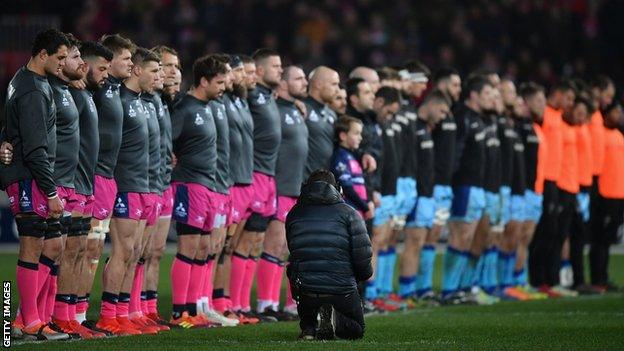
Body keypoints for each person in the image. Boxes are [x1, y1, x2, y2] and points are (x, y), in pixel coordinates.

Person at [2, 28, 70, 341]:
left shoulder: (26, 81)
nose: (63, 63)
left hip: (30, 176)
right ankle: (27, 321)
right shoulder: (32, 90)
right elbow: (33, 148)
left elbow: (11, 128)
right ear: (42, 54)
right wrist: (52, 191)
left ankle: (25, 319)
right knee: (31, 247)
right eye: (59, 57)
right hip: (31, 178)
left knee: (44, 245)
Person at [286, 170, 372, 340]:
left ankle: (309, 327)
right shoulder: (350, 213)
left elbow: (294, 252)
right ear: (338, 189)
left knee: (296, 271)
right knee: (355, 330)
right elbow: (363, 258)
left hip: (306, 291)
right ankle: (332, 316)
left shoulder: (294, 213)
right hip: (342, 290)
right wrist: (360, 279)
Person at [72, 41, 114, 329]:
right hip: (77, 181)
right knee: (74, 250)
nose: (106, 74)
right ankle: (62, 314)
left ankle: (77, 315)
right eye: (103, 68)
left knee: (90, 251)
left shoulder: (89, 95)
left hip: (94, 181)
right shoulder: (74, 95)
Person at [263, 65, 310, 318]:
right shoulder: (273, 108)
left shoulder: (295, 108)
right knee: (275, 246)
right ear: (282, 83)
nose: (305, 82)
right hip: (279, 187)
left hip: (295, 188)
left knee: (292, 249)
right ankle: (266, 304)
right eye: (299, 78)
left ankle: (291, 303)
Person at [442, 76, 492, 304]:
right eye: (487, 94)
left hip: (478, 186)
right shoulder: (463, 117)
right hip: (464, 186)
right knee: (460, 236)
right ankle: (449, 289)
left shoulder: (478, 119)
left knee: (470, 237)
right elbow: (456, 153)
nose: (491, 99)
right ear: (475, 95)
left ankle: (460, 286)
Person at [400, 91, 450, 299]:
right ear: (430, 105)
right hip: (418, 194)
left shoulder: (427, 129)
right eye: (441, 110)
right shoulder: (414, 128)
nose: (443, 116)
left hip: (428, 195)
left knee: (421, 242)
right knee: (414, 242)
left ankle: (417, 289)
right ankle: (405, 292)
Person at [590, 102, 624, 292]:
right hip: (605, 194)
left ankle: (604, 277)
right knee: (600, 240)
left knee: (608, 240)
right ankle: (598, 278)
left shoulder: (619, 135)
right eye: (616, 111)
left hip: (619, 195)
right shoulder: (601, 134)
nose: (619, 115)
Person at [331, 116, 374, 219]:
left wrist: (368, 201)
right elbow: (346, 187)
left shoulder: (353, 156)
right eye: (356, 133)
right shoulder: (340, 157)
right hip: (348, 212)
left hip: (358, 211)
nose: (360, 137)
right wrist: (365, 207)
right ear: (343, 136)